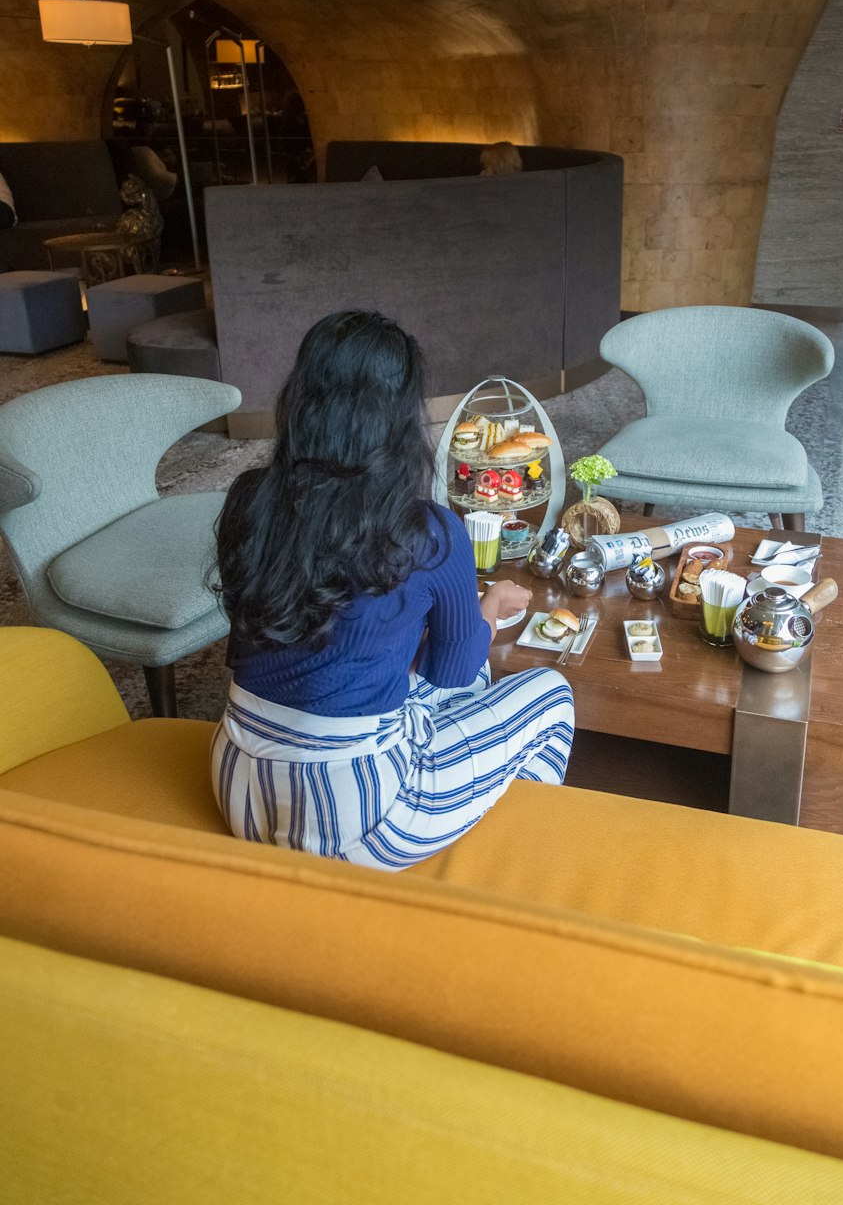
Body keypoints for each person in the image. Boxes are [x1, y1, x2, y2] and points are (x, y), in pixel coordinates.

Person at [212, 310, 574, 868]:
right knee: (549, 695)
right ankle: (495, 866)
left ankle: (465, 796)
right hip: (356, 815)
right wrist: (489, 609)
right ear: (402, 418)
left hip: (236, 784)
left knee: (463, 681)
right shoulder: (427, 531)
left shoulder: (250, 498)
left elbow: (328, 631)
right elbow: (450, 672)